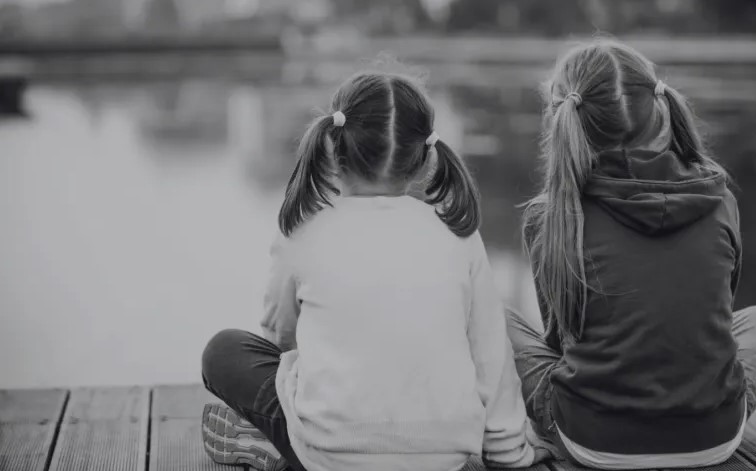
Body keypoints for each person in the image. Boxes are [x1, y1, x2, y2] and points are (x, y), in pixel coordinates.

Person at [200, 70, 548, 471]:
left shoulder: (303, 227)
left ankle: (282, 448)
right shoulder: (458, 232)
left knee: (224, 351)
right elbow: (491, 356)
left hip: (330, 453)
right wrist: (508, 452)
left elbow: (280, 335)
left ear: (333, 146)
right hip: (443, 456)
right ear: (423, 157)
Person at [508, 38, 756, 470]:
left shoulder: (551, 216)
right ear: (658, 107)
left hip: (591, 440)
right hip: (712, 439)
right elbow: (712, 320)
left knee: (487, 320)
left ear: (563, 116)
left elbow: (560, 339)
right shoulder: (719, 198)